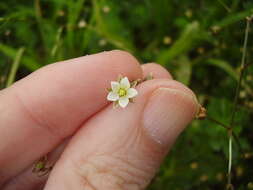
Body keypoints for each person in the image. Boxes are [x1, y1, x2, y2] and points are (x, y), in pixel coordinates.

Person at [0, 50, 198, 189]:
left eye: (123, 89)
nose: (121, 90)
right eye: (120, 90)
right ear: (119, 89)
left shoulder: (123, 91)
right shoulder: (118, 93)